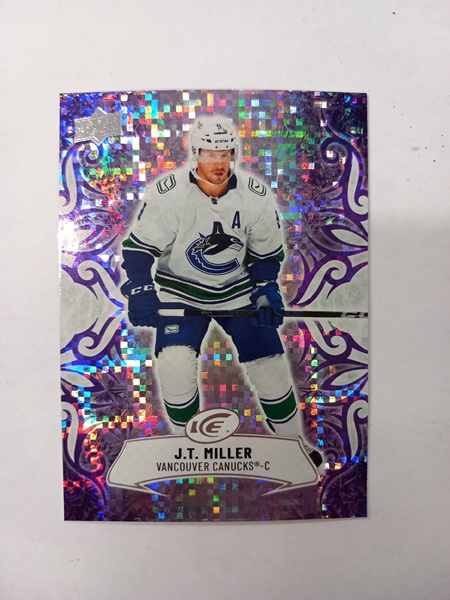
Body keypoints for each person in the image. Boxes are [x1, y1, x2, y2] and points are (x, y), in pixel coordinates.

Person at [120, 116, 322, 471]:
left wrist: (266, 289)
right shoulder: (169, 194)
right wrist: (140, 288)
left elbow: (264, 255)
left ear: (234, 155)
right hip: (180, 291)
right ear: (195, 155)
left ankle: (294, 445)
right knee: (175, 365)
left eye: (225, 154)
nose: (218, 163)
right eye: (210, 154)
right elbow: (139, 250)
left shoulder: (254, 195)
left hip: (236, 291)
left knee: (272, 369)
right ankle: (186, 448)